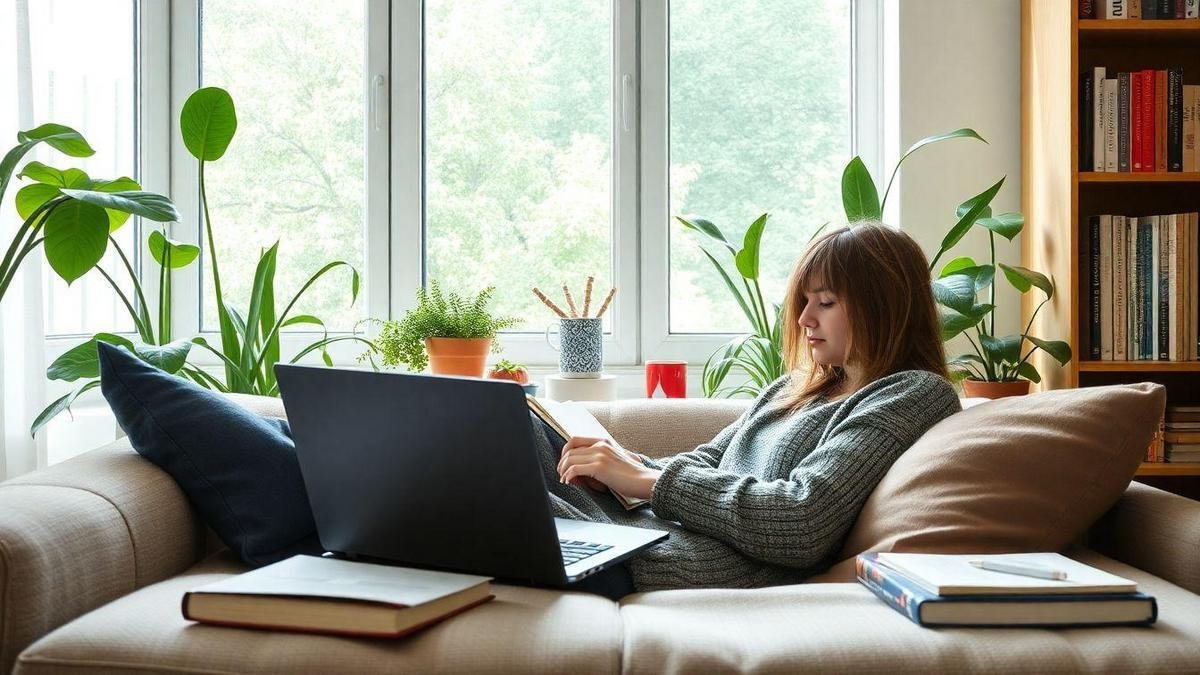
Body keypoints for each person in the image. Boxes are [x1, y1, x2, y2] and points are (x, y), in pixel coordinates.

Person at [532, 222, 962, 599]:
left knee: (496, 487)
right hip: (638, 529)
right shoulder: (795, 387)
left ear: (883, 307)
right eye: (805, 302)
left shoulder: (913, 393)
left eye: (826, 302)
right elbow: (704, 462)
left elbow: (803, 520)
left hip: (665, 556)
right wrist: (619, 471)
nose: (804, 319)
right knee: (524, 420)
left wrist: (647, 481)